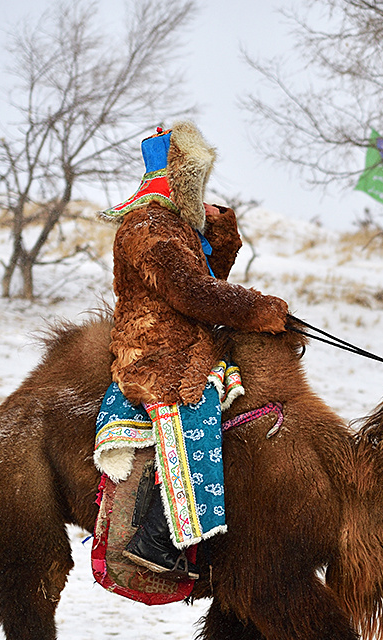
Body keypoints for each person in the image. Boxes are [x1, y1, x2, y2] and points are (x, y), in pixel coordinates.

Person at [93, 121, 289, 579]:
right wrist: (259, 308)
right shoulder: (149, 227)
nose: (200, 190)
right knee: (195, 407)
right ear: (178, 181)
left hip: (187, 343)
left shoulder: (173, 226)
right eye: (195, 181)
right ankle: (157, 537)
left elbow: (209, 279)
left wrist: (218, 230)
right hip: (156, 352)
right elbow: (192, 292)